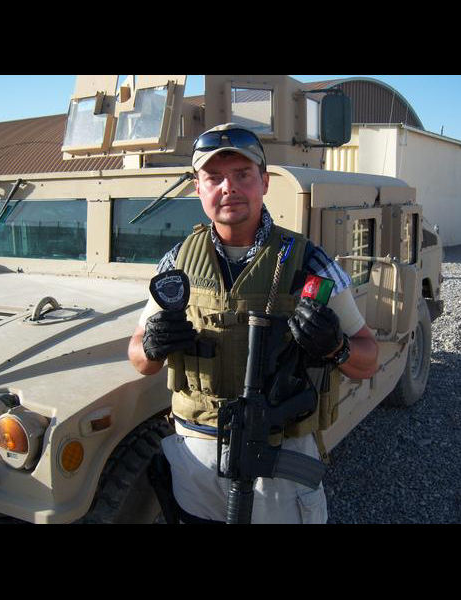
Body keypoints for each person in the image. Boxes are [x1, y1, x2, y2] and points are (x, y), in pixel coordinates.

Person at [128, 123, 378, 524]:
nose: (228, 187)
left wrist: (337, 347)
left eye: (242, 174)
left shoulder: (309, 261)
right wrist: (152, 346)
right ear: (198, 188)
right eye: (214, 177)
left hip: (277, 460)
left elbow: (368, 360)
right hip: (197, 462)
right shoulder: (176, 263)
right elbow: (139, 357)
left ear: (264, 182)